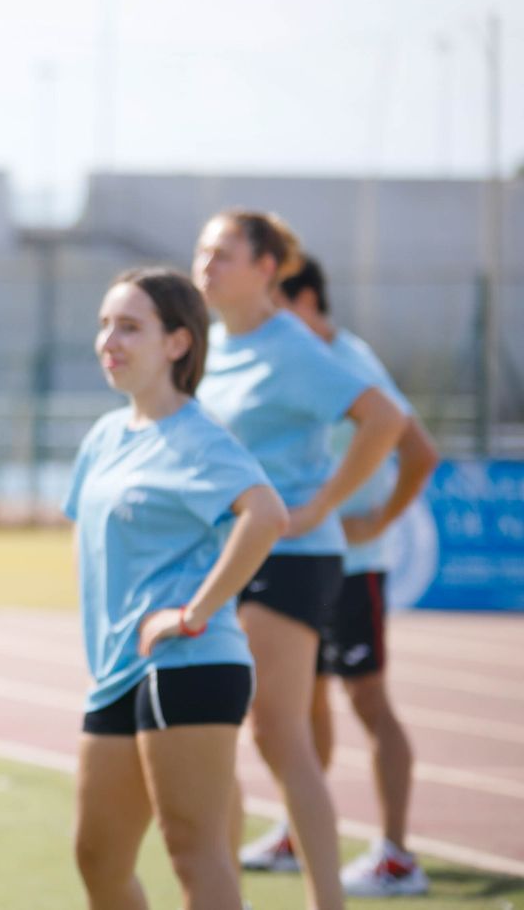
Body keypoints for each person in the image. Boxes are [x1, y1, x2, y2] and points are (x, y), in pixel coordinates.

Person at [193, 211, 405, 910]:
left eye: (224, 253)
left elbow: (385, 419)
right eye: (203, 251)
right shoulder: (211, 344)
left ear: (267, 270)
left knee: (275, 731)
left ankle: (327, 900)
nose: (207, 263)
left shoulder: (292, 344)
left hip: (291, 555)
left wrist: (320, 507)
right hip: (226, 553)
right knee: (220, 726)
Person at [66, 268, 288, 910]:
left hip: (187, 664)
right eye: (106, 324)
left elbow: (267, 514)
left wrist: (194, 612)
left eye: (130, 327)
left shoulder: (197, 437)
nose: (110, 339)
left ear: (178, 344)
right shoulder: (105, 436)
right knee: (98, 858)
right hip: (116, 671)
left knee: (194, 852)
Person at [236, 254, 437, 897]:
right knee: (302, 707)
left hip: (350, 565)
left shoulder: (343, 358)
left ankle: (398, 853)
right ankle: (301, 832)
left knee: (369, 701)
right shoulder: (282, 358)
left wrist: (376, 521)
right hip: (303, 560)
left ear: (303, 302)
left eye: (276, 307)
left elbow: (418, 447)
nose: (267, 322)